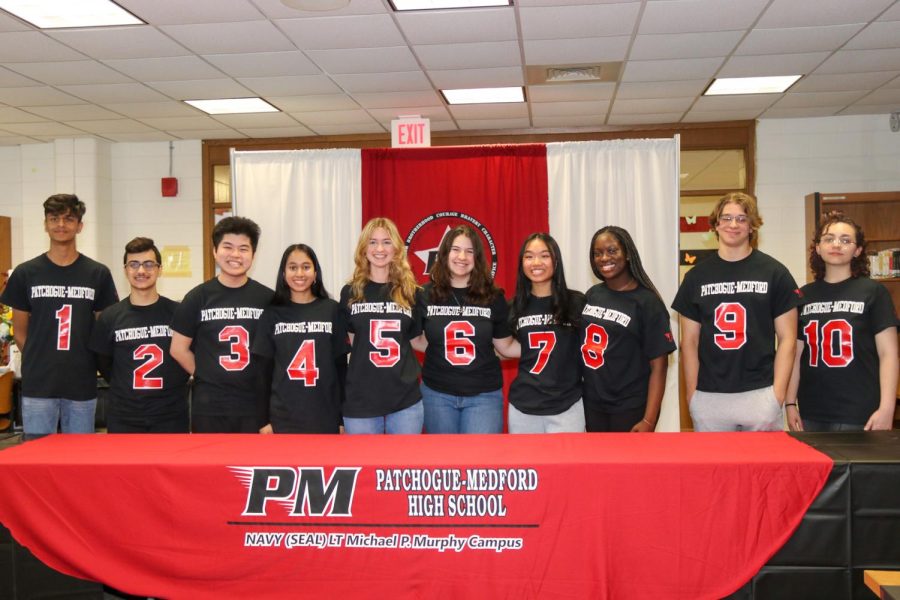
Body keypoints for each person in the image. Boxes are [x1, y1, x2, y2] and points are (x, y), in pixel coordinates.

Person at [672, 192, 800, 432]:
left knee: (762, 470)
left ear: (752, 226)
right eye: (727, 218)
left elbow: (788, 339)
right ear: (716, 224)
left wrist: (777, 395)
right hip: (709, 396)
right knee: (714, 469)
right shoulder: (695, 277)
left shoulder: (775, 272)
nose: (733, 225)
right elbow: (688, 341)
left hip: (761, 392)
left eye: (742, 219)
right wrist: (693, 396)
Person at [0, 194, 118, 439]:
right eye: (54, 218)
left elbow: (102, 329)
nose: (61, 225)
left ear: (80, 225)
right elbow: (20, 332)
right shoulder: (25, 273)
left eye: (68, 219)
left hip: (82, 381)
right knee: (36, 459)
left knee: (79, 462)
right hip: (39, 383)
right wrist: (40, 359)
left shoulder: (97, 274)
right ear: (45, 224)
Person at [785, 211, 898, 432]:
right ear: (817, 247)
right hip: (812, 410)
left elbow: (889, 354)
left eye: (845, 240)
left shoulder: (874, 292)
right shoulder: (802, 295)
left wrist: (887, 408)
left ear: (857, 250)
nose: (836, 244)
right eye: (829, 239)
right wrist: (790, 403)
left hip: (860, 411)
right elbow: (796, 355)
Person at [170, 216, 273, 433]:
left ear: (253, 255)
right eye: (228, 247)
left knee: (251, 466)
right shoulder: (197, 297)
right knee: (209, 466)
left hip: (255, 405)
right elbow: (178, 349)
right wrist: (208, 374)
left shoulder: (268, 299)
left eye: (243, 248)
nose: (235, 255)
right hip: (210, 406)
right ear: (215, 251)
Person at [413, 225, 516, 434]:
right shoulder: (424, 294)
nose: (462, 256)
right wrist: (447, 350)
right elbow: (416, 340)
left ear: (477, 258)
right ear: (444, 254)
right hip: (436, 394)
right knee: (443, 463)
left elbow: (505, 346)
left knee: (481, 463)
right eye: (456, 249)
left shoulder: (493, 296)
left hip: (484, 395)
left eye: (470, 251)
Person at [89, 237, 190, 433]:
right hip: (124, 416)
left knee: (170, 464)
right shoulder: (110, 316)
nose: (141, 271)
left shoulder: (179, 313)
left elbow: (188, 356)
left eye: (149, 264)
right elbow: (104, 363)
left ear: (160, 269)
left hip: (170, 415)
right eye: (133, 264)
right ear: (125, 270)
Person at [581, 226, 676, 432]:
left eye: (612, 250)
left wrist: (649, 420)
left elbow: (659, 367)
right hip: (593, 404)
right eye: (598, 253)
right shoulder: (592, 294)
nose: (604, 258)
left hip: (629, 406)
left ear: (628, 254)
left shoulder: (647, 302)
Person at [252, 244, 347, 434]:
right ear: (283, 273)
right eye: (292, 267)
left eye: (306, 266)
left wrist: (341, 418)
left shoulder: (332, 310)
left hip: (325, 414)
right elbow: (262, 373)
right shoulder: (272, 313)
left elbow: (341, 368)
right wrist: (263, 421)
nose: (299, 273)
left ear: (315, 272)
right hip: (283, 417)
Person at [340, 217, 423, 434]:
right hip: (361, 399)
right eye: (372, 242)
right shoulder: (350, 292)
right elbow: (354, 342)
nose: (379, 248)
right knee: (362, 465)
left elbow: (416, 340)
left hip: (405, 400)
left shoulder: (411, 292)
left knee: (403, 467)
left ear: (396, 248)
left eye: (386, 242)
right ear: (363, 249)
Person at [506, 233, 586, 433]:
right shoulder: (513, 307)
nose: (536, 262)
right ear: (521, 263)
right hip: (523, 409)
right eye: (529, 256)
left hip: (567, 406)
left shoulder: (577, 303)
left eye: (544, 255)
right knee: (526, 465)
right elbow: (503, 348)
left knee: (568, 465)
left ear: (556, 261)